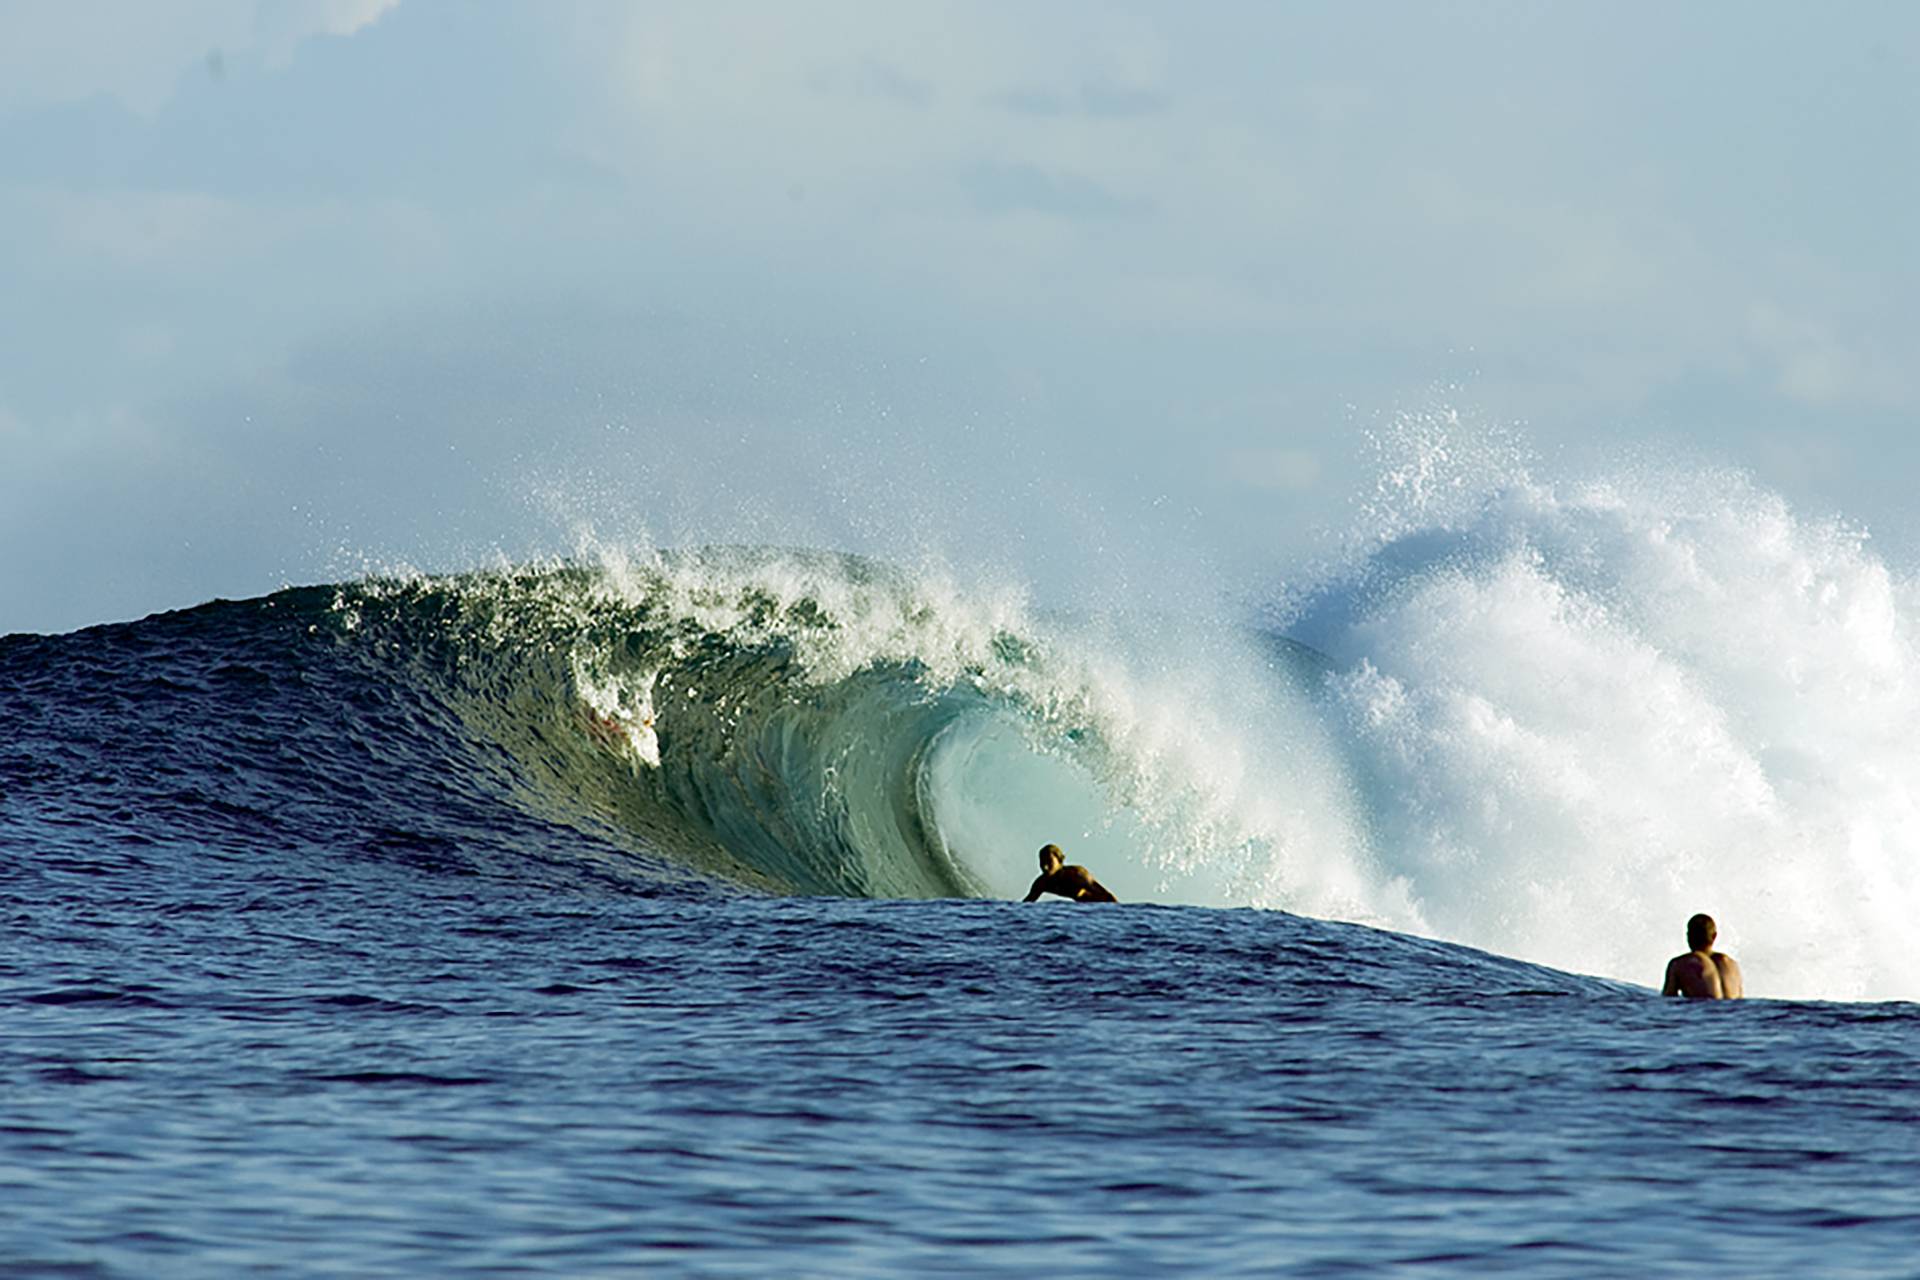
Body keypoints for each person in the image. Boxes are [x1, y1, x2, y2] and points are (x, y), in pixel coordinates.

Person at [1662, 913, 1743, 999]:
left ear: (1688, 936)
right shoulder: (1732, 964)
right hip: (1734, 1010)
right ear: (1714, 936)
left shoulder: (1679, 964)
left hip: (1703, 1010)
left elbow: (1668, 1001)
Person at [1022, 843, 1117, 904]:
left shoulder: (1077, 874)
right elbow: (1027, 904)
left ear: (1059, 861)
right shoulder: (1042, 883)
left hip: (1101, 907)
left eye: (1049, 861)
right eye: (1042, 862)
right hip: (1083, 911)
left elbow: (1107, 896)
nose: (1045, 866)